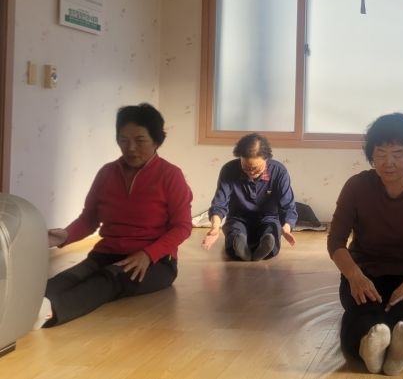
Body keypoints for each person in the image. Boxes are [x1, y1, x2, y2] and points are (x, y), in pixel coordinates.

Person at [35, 103, 193, 328]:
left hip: (155, 262)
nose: (130, 148)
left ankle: (46, 315)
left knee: (106, 281)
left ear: (157, 141)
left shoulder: (171, 175)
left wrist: (148, 254)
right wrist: (64, 235)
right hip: (106, 253)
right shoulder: (107, 173)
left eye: (140, 140)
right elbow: (89, 219)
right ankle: (19, 308)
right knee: (66, 279)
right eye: (123, 140)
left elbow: (182, 227)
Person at [327, 113, 403, 376]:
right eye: (380, 153)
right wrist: (354, 276)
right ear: (371, 154)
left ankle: (401, 350)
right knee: (363, 313)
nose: (388, 162)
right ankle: (370, 347)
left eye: (397, 153)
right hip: (364, 274)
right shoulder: (356, 186)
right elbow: (335, 240)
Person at [201, 133, 297, 261]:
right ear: (240, 158)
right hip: (238, 218)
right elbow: (219, 204)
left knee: (272, 229)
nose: (251, 172)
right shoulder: (228, 170)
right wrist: (215, 228)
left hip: (268, 218)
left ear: (266, 159)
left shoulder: (279, 171)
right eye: (246, 167)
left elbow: (288, 205)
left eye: (256, 168)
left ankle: (266, 245)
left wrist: (286, 227)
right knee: (234, 230)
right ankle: (238, 245)